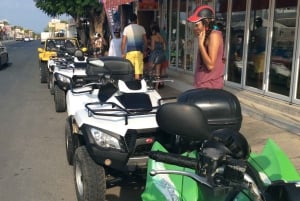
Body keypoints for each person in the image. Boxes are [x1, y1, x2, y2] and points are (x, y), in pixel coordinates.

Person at [187, 5, 225, 89]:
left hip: (210, 87)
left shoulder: (214, 36)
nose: (194, 28)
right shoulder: (205, 37)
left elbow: (210, 65)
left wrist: (200, 45)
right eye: (193, 25)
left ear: (206, 22)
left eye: (197, 25)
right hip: (202, 85)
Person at [121, 13, 148, 80]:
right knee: (137, 72)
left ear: (130, 20)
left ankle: (131, 86)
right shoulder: (142, 28)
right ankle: (137, 85)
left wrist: (123, 53)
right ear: (136, 19)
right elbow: (146, 41)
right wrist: (145, 51)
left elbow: (123, 42)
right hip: (139, 52)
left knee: (130, 71)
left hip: (130, 52)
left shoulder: (126, 29)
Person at [148, 24, 166, 90]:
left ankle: (151, 85)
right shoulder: (162, 38)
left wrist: (148, 46)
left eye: (152, 30)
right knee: (158, 71)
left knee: (150, 70)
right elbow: (164, 48)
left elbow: (152, 48)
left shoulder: (153, 37)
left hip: (154, 55)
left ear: (154, 30)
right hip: (161, 55)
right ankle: (156, 87)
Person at [252, 16, 266, 88]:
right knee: (262, 70)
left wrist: (253, 49)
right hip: (265, 52)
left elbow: (256, 41)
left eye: (255, 23)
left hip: (259, 52)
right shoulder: (265, 30)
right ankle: (262, 85)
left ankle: (258, 86)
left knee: (258, 71)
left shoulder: (257, 31)